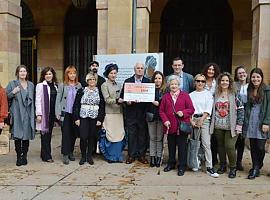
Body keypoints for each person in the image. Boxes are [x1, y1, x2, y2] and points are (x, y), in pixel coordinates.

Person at [210, 72, 244, 178]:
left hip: (231, 126)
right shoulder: (215, 94)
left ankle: (233, 167)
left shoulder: (235, 94)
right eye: (222, 80)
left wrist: (239, 125)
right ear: (219, 82)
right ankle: (223, 165)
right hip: (218, 126)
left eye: (227, 81)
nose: (224, 82)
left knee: (229, 146)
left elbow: (241, 110)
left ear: (230, 82)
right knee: (220, 146)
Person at [159, 75, 195, 176]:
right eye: (172, 84)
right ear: (168, 85)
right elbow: (161, 111)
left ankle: (182, 166)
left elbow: (191, 109)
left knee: (182, 147)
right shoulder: (166, 97)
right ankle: (171, 163)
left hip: (181, 126)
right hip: (170, 126)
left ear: (179, 85)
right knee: (171, 146)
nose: (173, 86)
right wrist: (165, 121)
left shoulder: (185, 95)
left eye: (175, 84)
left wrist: (183, 112)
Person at [242, 68, 270, 179]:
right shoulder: (249, 89)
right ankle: (255, 167)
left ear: (261, 78)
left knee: (260, 147)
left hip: (262, 120)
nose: (255, 79)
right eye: (253, 77)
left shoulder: (267, 90)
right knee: (252, 146)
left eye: (258, 77)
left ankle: (259, 164)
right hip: (251, 120)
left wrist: (266, 122)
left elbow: (269, 108)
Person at [120, 63, 150, 164]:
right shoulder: (128, 81)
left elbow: (150, 98)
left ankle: (142, 155)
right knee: (131, 135)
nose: (140, 70)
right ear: (134, 69)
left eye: (141, 68)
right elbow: (122, 97)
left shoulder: (148, 82)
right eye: (138, 68)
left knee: (142, 135)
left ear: (144, 70)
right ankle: (131, 156)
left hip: (143, 113)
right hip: (131, 113)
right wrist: (127, 101)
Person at [189, 74, 219, 178]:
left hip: (205, 119)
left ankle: (209, 166)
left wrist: (202, 119)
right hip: (194, 119)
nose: (200, 83)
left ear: (205, 83)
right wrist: (191, 121)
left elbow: (208, 108)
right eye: (198, 81)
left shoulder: (208, 94)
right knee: (195, 143)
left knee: (206, 143)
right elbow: (188, 109)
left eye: (202, 81)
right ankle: (195, 163)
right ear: (195, 82)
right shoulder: (190, 95)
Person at [6, 65, 35, 166]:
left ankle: (24, 156)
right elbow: (5, 97)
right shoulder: (12, 84)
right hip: (17, 113)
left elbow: (33, 100)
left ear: (27, 73)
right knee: (17, 136)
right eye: (20, 71)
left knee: (26, 136)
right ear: (17, 73)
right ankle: (19, 157)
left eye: (24, 71)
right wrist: (13, 92)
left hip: (28, 113)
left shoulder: (31, 85)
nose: (22, 73)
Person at [73, 72, 105, 165]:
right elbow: (76, 105)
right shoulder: (82, 90)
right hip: (83, 116)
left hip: (94, 117)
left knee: (92, 137)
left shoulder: (99, 91)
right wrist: (76, 118)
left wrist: (100, 119)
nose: (92, 81)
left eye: (93, 79)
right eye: (90, 79)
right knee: (83, 137)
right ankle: (83, 156)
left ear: (96, 81)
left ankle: (89, 156)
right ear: (87, 81)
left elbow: (102, 106)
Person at [55, 66, 82, 165]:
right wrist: (57, 113)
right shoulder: (62, 85)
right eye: (70, 73)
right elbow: (58, 100)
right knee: (66, 134)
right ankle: (65, 154)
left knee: (74, 134)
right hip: (65, 113)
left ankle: (71, 151)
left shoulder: (79, 85)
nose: (72, 75)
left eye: (74, 73)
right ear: (67, 74)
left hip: (75, 114)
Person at [100, 63, 126, 163]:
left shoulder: (119, 84)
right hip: (109, 113)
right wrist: (117, 100)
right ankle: (110, 156)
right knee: (110, 135)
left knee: (119, 135)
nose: (113, 75)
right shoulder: (104, 85)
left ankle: (118, 156)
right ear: (107, 74)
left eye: (115, 73)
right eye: (111, 73)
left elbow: (123, 97)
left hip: (119, 113)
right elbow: (107, 99)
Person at [36, 67, 58, 163]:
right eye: (46, 74)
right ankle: (47, 156)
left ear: (53, 75)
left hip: (52, 114)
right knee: (44, 134)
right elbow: (38, 100)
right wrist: (39, 114)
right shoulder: (40, 86)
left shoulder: (55, 86)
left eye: (50, 74)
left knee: (49, 135)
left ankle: (43, 153)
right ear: (43, 76)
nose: (48, 76)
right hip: (44, 114)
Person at [202, 62, 221, 166]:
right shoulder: (201, 79)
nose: (211, 71)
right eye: (209, 69)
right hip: (203, 110)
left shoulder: (217, 82)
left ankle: (214, 158)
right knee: (204, 137)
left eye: (213, 70)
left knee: (214, 136)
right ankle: (202, 158)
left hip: (215, 110)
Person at [146, 71, 166, 167]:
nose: (157, 80)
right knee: (152, 137)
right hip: (151, 116)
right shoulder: (149, 89)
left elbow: (167, 104)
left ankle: (158, 157)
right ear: (153, 80)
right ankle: (152, 157)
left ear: (162, 80)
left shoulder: (165, 91)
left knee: (159, 138)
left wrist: (159, 103)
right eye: (155, 78)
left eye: (159, 78)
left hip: (161, 117)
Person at [234, 66, 249, 171]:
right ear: (236, 75)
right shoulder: (234, 86)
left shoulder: (251, 86)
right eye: (239, 73)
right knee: (233, 139)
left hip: (248, 115)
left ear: (246, 74)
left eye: (243, 72)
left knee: (241, 140)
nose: (242, 74)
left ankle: (238, 161)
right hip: (236, 114)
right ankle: (231, 160)